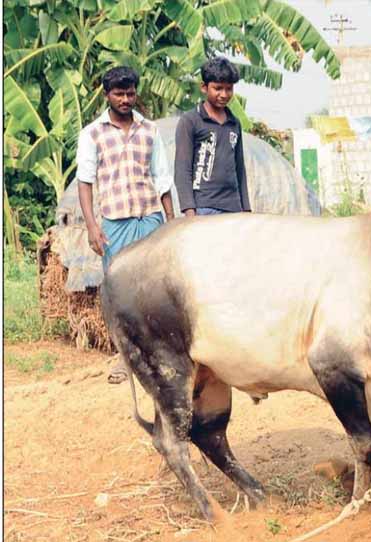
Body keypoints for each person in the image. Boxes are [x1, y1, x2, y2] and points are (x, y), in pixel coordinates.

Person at [76, 66, 174, 383]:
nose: (125, 99)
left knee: (156, 289)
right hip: (115, 222)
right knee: (119, 291)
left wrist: (171, 221)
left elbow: (162, 178)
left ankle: (161, 353)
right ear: (107, 95)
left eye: (130, 93)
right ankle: (123, 357)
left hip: (150, 217)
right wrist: (92, 226)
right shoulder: (92, 133)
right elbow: (85, 181)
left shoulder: (149, 130)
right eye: (119, 93)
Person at [174, 57, 251, 216]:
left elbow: (240, 168)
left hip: (233, 206)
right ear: (204, 87)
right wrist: (189, 210)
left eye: (229, 89)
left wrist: (246, 208)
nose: (224, 94)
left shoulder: (234, 123)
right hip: (203, 206)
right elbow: (182, 170)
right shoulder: (190, 121)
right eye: (218, 88)